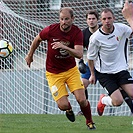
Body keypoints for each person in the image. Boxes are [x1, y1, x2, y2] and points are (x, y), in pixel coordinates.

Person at [25, 7, 96, 130]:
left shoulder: (77, 32)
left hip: (71, 71)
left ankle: (89, 121)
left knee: (82, 99)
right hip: (53, 73)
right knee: (62, 105)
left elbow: (79, 54)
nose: (64, 22)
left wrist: (64, 47)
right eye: (61, 19)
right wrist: (30, 55)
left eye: (67, 19)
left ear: (72, 19)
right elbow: (37, 39)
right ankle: (68, 109)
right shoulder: (51, 30)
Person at [87, 7, 133, 116]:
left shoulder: (121, 28)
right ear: (101, 21)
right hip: (105, 73)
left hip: (121, 69)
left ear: (114, 18)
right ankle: (103, 100)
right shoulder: (95, 38)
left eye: (109, 18)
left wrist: (129, 17)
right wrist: (92, 74)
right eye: (104, 19)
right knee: (118, 102)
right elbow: (90, 58)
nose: (107, 21)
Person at [77, 10, 100, 115]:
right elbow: (79, 49)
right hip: (91, 64)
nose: (91, 21)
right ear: (86, 21)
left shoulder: (103, 31)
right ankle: (84, 110)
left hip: (107, 65)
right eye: (89, 19)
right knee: (81, 85)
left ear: (97, 20)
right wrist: (81, 61)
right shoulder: (83, 34)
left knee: (120, 87)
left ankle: (104, 101)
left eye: (93, 19)